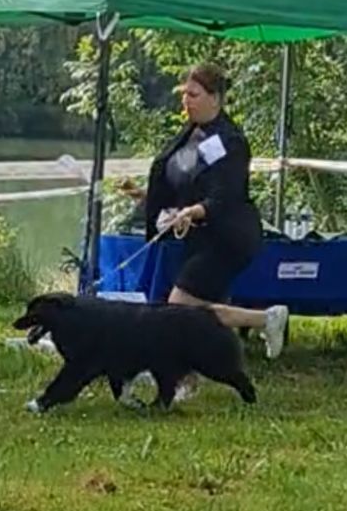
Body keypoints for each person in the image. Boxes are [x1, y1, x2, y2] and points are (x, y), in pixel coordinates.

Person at [122, 63, 288, 371]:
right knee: (187, 313)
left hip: (229, 237)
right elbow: (182, 184)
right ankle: (191, 374)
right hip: (197, 237)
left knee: (179, 307)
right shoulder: (189, 135)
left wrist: (194, 211)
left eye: (194, 95)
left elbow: (226, 195)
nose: (186, 100)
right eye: (184, 94)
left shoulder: (231, 141)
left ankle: (265, 319)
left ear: (215, 99)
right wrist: (146, 196)